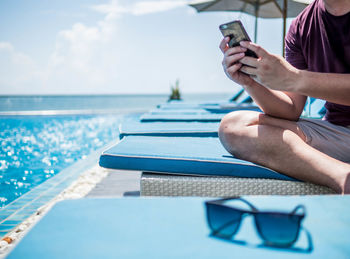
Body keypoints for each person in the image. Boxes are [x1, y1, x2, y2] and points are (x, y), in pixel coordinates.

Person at [218, 0, 350, 194]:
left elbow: (296, 80)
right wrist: (251, 82)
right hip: (339, 134)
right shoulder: (301, 26)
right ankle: (342, 176)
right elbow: (290, 110)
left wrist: (294, 78)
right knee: (233, 125)